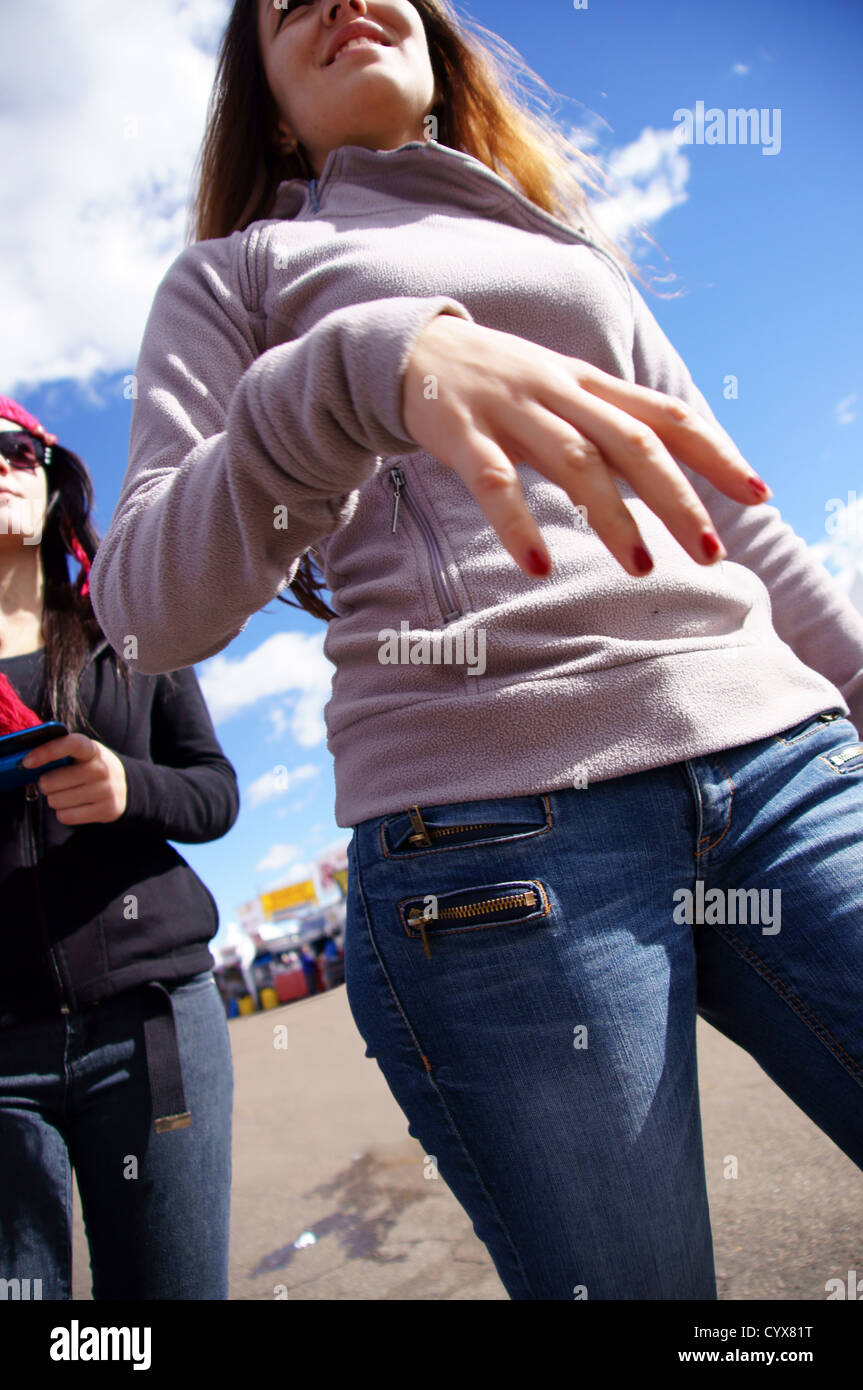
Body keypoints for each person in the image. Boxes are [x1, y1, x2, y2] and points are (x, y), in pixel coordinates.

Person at [87, 0, 863, 1300]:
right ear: (270, 99)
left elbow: (734, 514)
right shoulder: (238, 274)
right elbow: (144, 606)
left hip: (786, 768)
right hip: (499, 845)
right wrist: (361, 373)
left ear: (436, 40)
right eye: (286, 2)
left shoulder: (555, 242)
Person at [0, 397, 239, 1300]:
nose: (2, 465)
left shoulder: (125, 631)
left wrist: (130, 788)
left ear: (53, 478)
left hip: (152, 1023)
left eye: (19, 450)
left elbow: (215, 791)